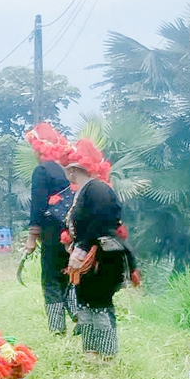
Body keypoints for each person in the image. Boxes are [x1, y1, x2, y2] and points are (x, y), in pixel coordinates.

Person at [63, 138, 135, 361]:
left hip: (103, 256)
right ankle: (92, 352)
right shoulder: (87, 190)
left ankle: (106, 355)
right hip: (94, 253)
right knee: (86, 302)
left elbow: (101, 222)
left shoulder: (97, 189)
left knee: (99, 303)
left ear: (74, 171)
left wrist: (83, 247)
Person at [25, 123, 79, 336]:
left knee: (50, 278)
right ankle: (78, 315)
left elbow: (37, 206)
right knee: (69, 275)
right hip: (73, 233)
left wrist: (31, 237)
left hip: (51, 234)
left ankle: (57, 328)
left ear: (39, 148)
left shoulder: (42, 170)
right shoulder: (70, 169)